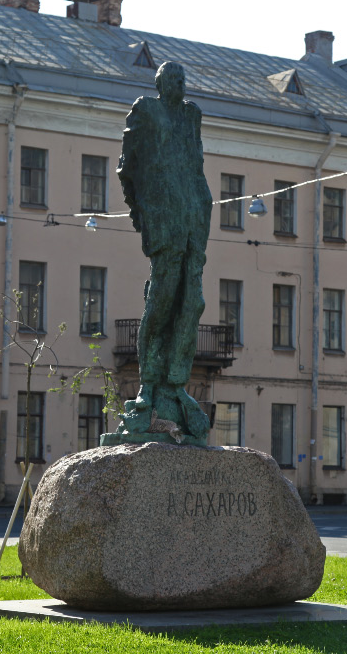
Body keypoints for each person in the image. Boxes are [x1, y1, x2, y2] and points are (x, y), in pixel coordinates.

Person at [113, 61, 211, 442]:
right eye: (172, 79)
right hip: (164, 218)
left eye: (183, 79)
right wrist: (142, 212)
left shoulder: (192, 115)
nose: (179, 85)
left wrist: (202, 204)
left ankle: (176, 382)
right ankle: (149, 385)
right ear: (159, 83)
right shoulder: (146, 110)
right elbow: (127, 168)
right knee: (162, 300)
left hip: (193, 217)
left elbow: (196, 163)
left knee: (192, 302)